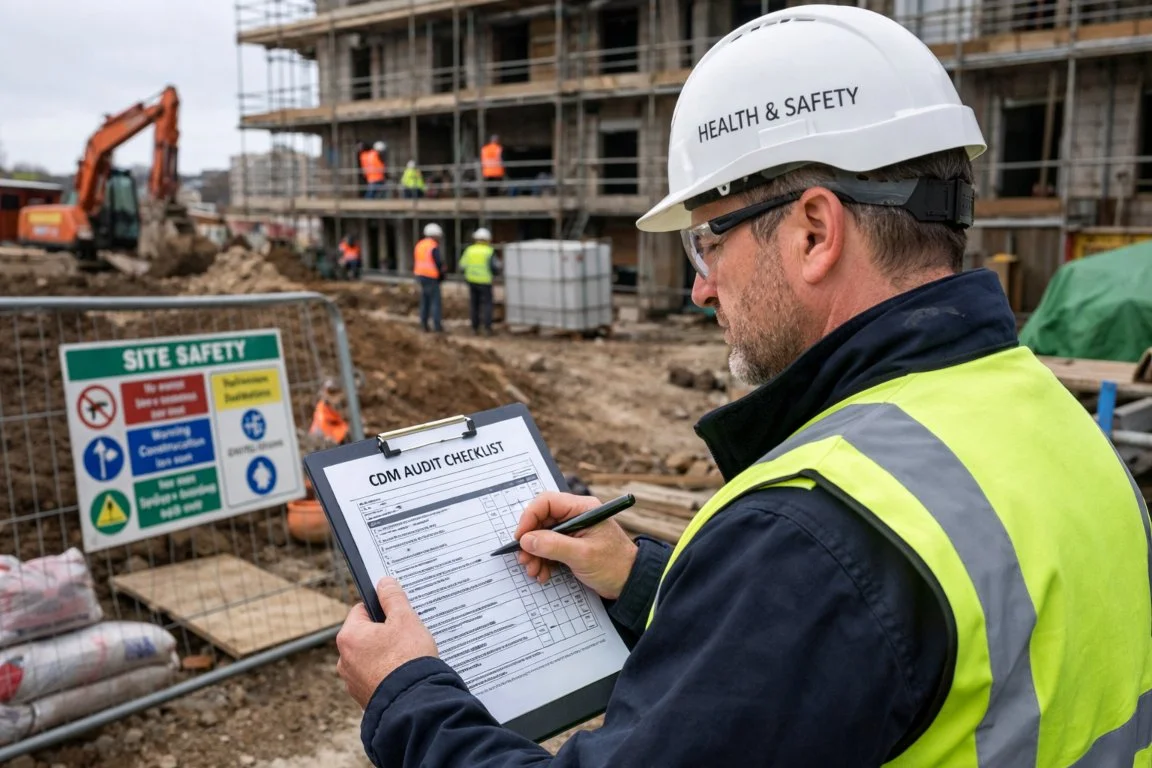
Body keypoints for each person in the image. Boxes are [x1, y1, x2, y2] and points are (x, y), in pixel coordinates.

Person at [335, 6, 1152, 767]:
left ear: (814, 232)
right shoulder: (1053, 419)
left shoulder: (808, 534)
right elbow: (862, 650)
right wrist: (642, 579)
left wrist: (410, 698)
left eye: (707, 243)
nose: (700, 287)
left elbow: (828, 601)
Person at [458, 227, 498, 335]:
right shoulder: (489, 251)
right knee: (487, 304)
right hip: (485, 281)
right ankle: (487, 328)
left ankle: (474, 328)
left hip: (471, 281)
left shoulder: (469, 250)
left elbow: (462, 266)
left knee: (474, 304)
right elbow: (495, 267)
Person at [413, 222, 444, 333]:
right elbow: (438, 262)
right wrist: (442, 274)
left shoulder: (419, 245)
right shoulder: (433, 246)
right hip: (431, 276)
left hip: (420, 276)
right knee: (435, 302)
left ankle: (424, 324)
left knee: (425, 300)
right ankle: (437, 326)